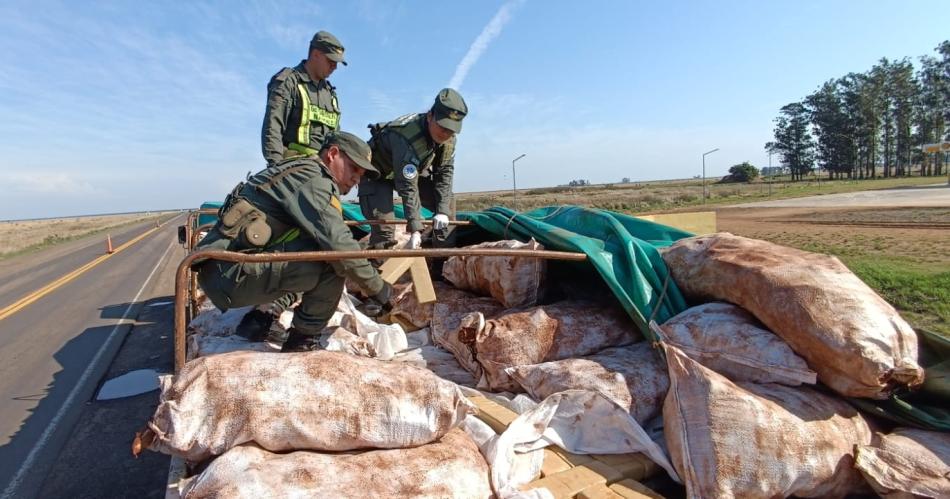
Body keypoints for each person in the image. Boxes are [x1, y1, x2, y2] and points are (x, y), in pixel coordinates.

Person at [196, 131, 392, 352]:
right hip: (228, 275)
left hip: (226, 269)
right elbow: (340, 247)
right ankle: (302, 341)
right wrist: (380, 290)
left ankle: (260, 320)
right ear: (333, 154)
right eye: (354, 168)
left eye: (362, 174)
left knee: (318, 249)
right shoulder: (313, 180)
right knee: (331, 263)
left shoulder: (303, 170)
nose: (357, 179)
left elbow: (330, 236)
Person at [359, 88, 467, 250]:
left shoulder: (449, 141)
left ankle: (441, 264)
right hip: (377, 175)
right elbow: (407, 186)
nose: (446, 134)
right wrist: (415, 228)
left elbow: (444, 176)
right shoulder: (407, 137)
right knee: (385, 228)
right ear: (430, 117)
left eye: (451, 130)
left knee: (446, 203)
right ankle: (379, 272)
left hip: (408, 172)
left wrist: (443, 212)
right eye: (443, 127)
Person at [261, 30, 346, 166]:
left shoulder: (330, 94)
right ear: (316, 54)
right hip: (293, 167)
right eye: (331, 61)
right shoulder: (288, 82)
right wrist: (275, 168)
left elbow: (335, 139)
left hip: (323, 170)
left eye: (337, 63)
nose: (334, 67)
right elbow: (273, 127)